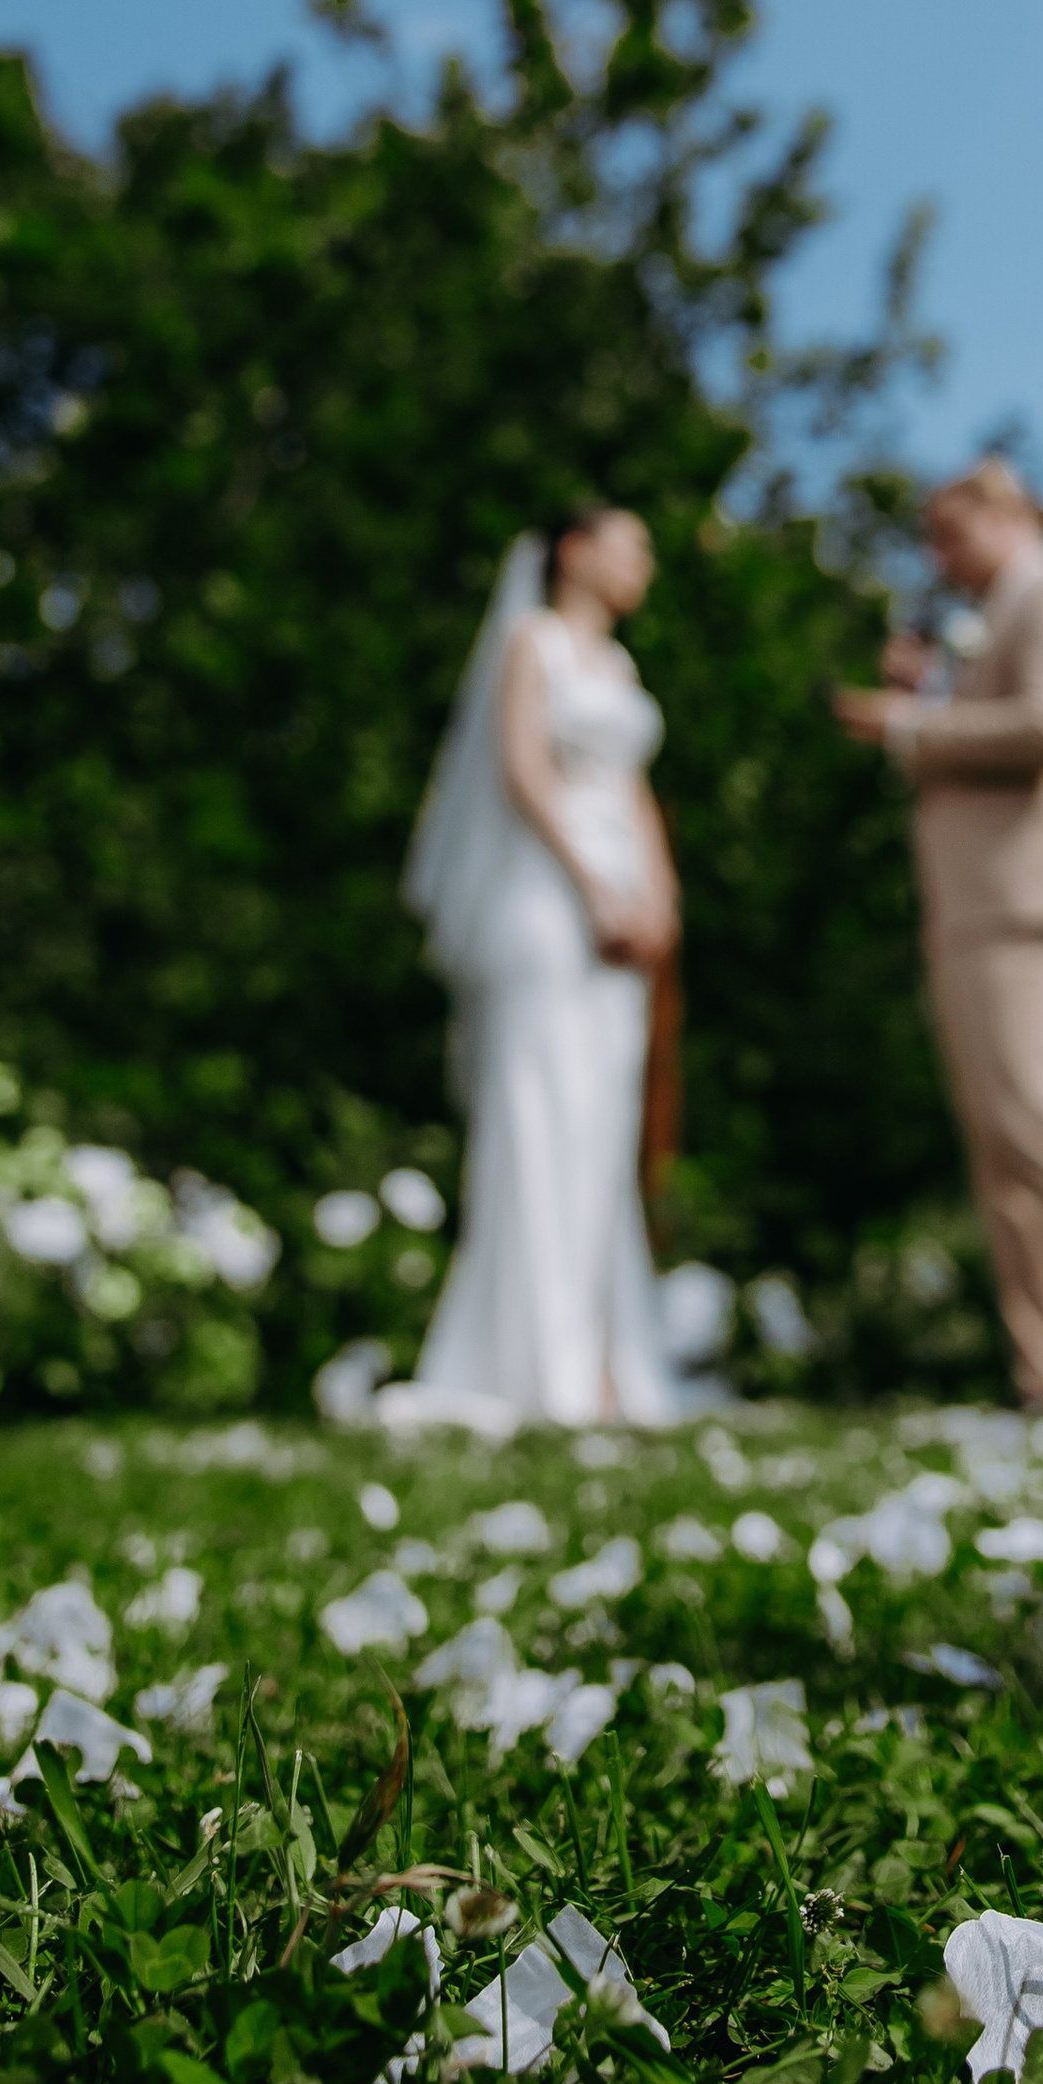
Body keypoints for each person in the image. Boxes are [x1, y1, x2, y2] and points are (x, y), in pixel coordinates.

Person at [832, 458, 1043, 1415]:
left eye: (949, 535)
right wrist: (936, 692)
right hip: (974, 910)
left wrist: (912, 722)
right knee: (1000, 1150)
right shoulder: (992, 625)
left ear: (1006, 515)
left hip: (1036, 904)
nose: (938, 559)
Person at [404, 505, 684, 1424]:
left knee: (602, 1125)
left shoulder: (620, 666)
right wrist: (594, 886)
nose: (642, 559)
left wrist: (657, 898)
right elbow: (523, 769)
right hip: (546, 898)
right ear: (575, 549)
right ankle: (538, 1365)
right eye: (628, 541)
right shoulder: (535, 643)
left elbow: (634, 792)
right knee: (541, 1115)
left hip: (622, 908)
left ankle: (604, 1361)